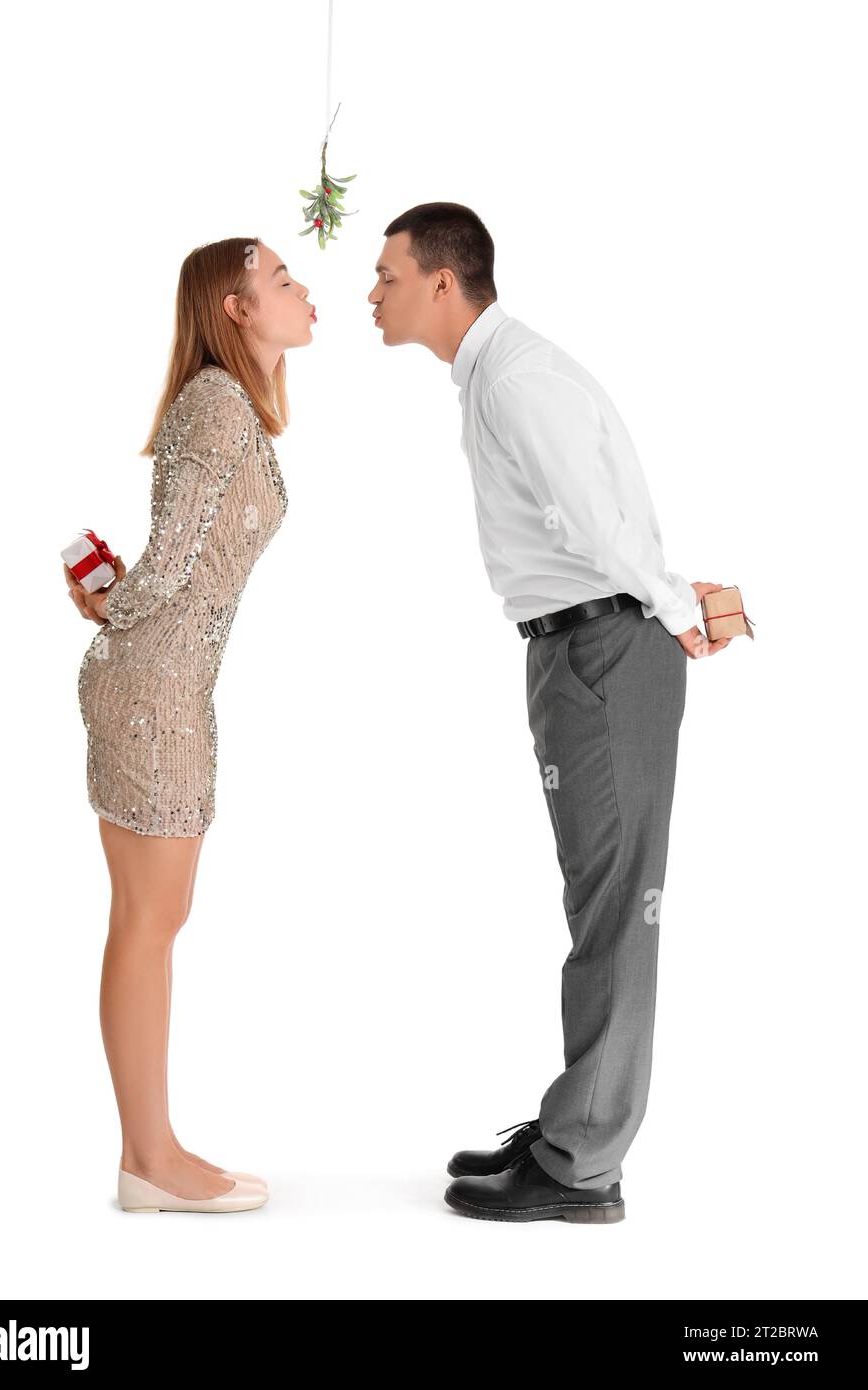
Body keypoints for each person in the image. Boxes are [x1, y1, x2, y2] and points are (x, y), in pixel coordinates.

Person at [367, 203, 732, 1224]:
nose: (373, 293)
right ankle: (577, 1125)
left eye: (387, 274)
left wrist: (670, 608)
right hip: (577, 647)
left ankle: (581, 1164)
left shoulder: (515, 377)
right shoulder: (492, 372)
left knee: (616, 902)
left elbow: (596, 516)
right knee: (597, 897)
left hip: (605, 646)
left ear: (444, 282)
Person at [65, 238, 316, 1213]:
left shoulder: (225, 406)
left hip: (167, 683)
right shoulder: (214, 404)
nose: (304, 292)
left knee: (153, 919)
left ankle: (152, 1154)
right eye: (284, 280)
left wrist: (114, 601)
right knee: (148, 921)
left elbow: (166, 570)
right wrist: (115, 604)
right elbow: (167, 570)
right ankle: (150, 1162)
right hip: (152, 693)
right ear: (235, 306)